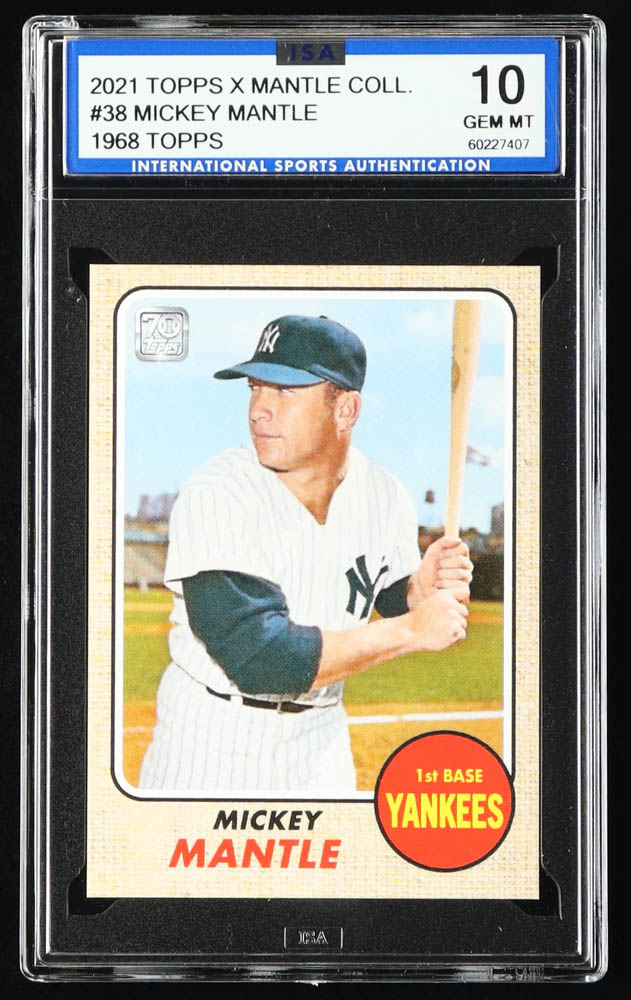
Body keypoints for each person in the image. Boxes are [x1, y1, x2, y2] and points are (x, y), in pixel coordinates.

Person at [138, 314, 472, 794]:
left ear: (346, 410)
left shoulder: (385, 495)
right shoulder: (219, 490)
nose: (259, 409)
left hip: (321, 745)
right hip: (211, 741)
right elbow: (260, 657)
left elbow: (390, 593)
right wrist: (411, 630)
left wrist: (422, 590)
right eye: (255, 387)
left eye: (284, 391)